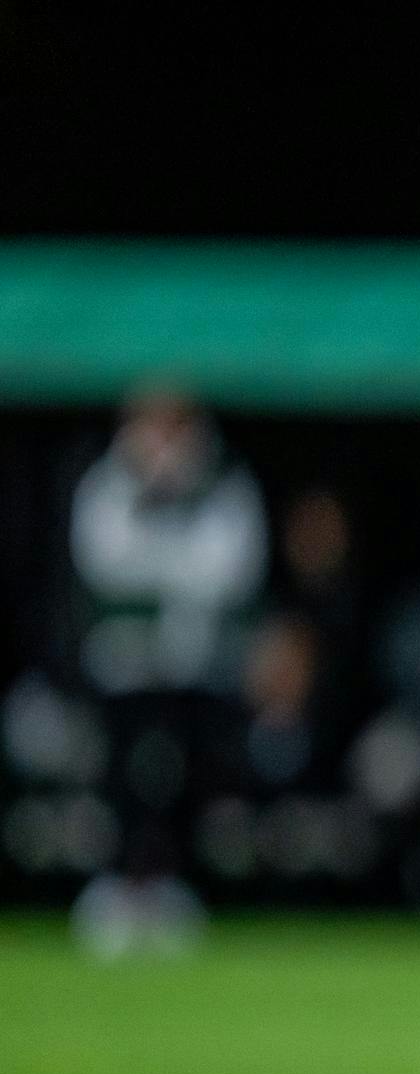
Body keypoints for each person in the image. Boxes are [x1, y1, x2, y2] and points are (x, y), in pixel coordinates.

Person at [69, 387, 268, 955]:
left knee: (188, 779)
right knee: (121, 778)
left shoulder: (223, 486)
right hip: (123, 665)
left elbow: (229, 570)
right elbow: (105, 563)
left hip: (194, 667)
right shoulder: (109, 486)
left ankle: (173, 886)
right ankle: (120, 887)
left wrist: (168, 564)